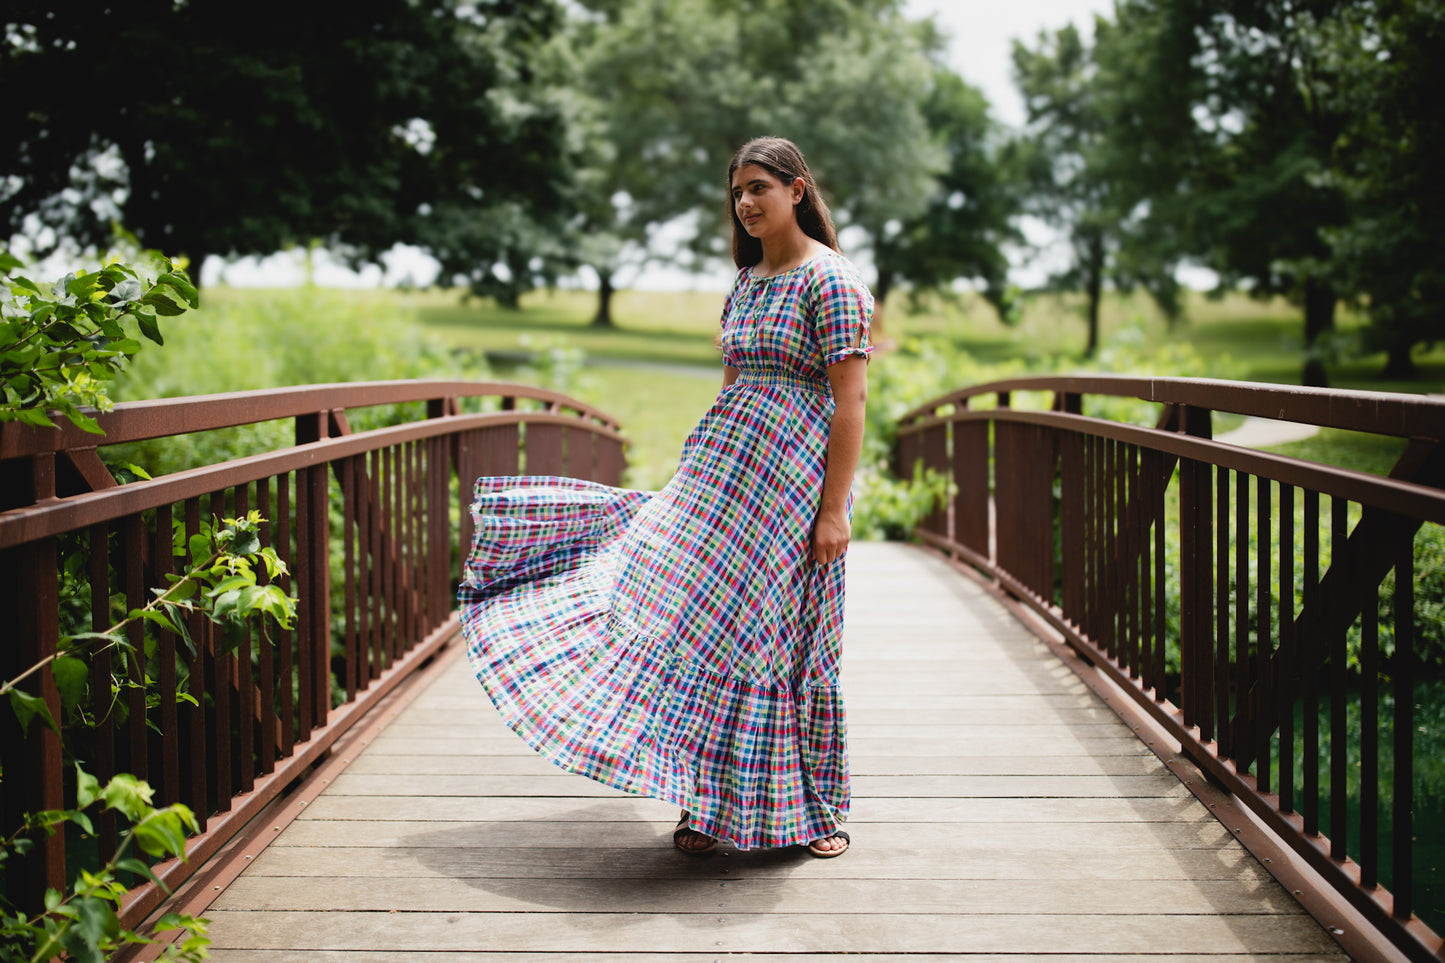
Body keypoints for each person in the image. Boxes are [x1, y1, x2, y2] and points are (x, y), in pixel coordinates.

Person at [458, 135, 871, 859]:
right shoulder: (744, 284)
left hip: (791, 491)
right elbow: (733, 387)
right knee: (698, 626)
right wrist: (695, 475)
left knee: (778, 637)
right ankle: (708, 802)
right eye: (736, 190)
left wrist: (834, 508)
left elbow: (851, 400)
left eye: (758, 188)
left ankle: (811, 809)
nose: (744, 203)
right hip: (722, 482)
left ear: (797, 190)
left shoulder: (829, 281)